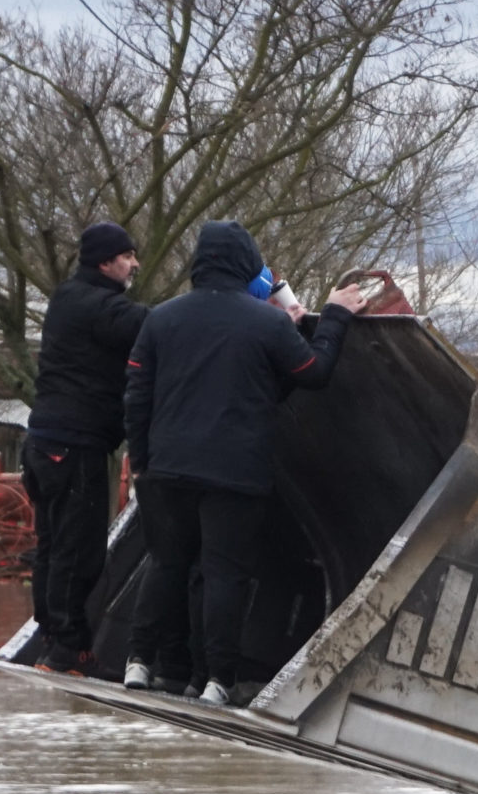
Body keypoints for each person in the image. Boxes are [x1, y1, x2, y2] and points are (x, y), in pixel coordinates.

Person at [123, 223, 367, 705]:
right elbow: (312, 373)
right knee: (223, 575)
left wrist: (144, 461)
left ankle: (138, 662)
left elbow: (137, 396)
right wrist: (335, 315)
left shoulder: (160, 319)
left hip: (167, 467)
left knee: (168, 564)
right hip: (234, 472)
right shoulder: (267, 324)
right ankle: (217, 681)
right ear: (246, 264)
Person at [24, 222, 150, 675]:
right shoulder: (101, 306)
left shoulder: (66, 296)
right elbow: (156, 324)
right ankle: (67, 653)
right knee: (80, 552)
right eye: (127, 256)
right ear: (105, 261)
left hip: (43, 441)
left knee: (53, 547)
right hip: (75, 447)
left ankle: (52, 640)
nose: (135, 263)